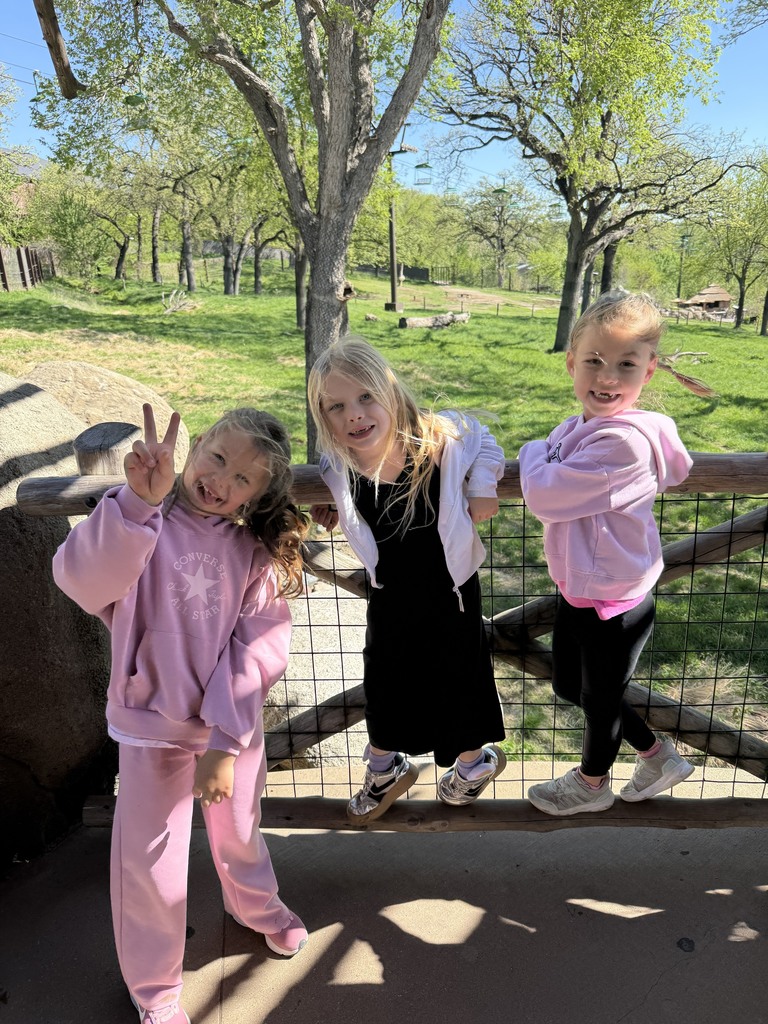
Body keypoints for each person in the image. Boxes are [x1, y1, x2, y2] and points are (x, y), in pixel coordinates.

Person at [53, 404, 309, 1024]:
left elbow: (258, 650)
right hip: (150, 730)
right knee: (150, 869)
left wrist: (223, 744)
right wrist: (137, 502)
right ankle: (156, 990)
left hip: (230, 733)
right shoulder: (138, 517)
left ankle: (256, 908)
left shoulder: (253, 555)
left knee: (241, 834)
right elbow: (79, 580)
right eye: (217, 457)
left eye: (243, 477)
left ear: (258, 496)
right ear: (196, 448)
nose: (221, 479)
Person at [518, 290, 713, 816]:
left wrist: (531, 453)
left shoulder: (623, 444)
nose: (607, 378)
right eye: (595, 362)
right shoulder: (577, 426)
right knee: (566, 683)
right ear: (571, 363)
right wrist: (546, 456)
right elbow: (553, 471)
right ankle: (657, 756)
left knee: (599, 700)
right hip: (580, 586)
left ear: (648, 372)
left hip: (614, 596)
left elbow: (545, 495)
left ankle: (591, 785)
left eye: (625, 365)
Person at [307, 337, 507, 824]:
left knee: (459, 680)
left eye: (365, 398)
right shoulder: (340, 466)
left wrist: (481, 486)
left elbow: (486, 439)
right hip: (390, 594)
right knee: (384, 677)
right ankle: (384, 769)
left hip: (451, 593)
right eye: (337, 406)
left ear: (391, 394)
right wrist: (330, 503)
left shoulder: (439, 441)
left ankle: (473, 766)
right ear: (323, 416)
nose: (354, 414)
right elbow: (337, 496)